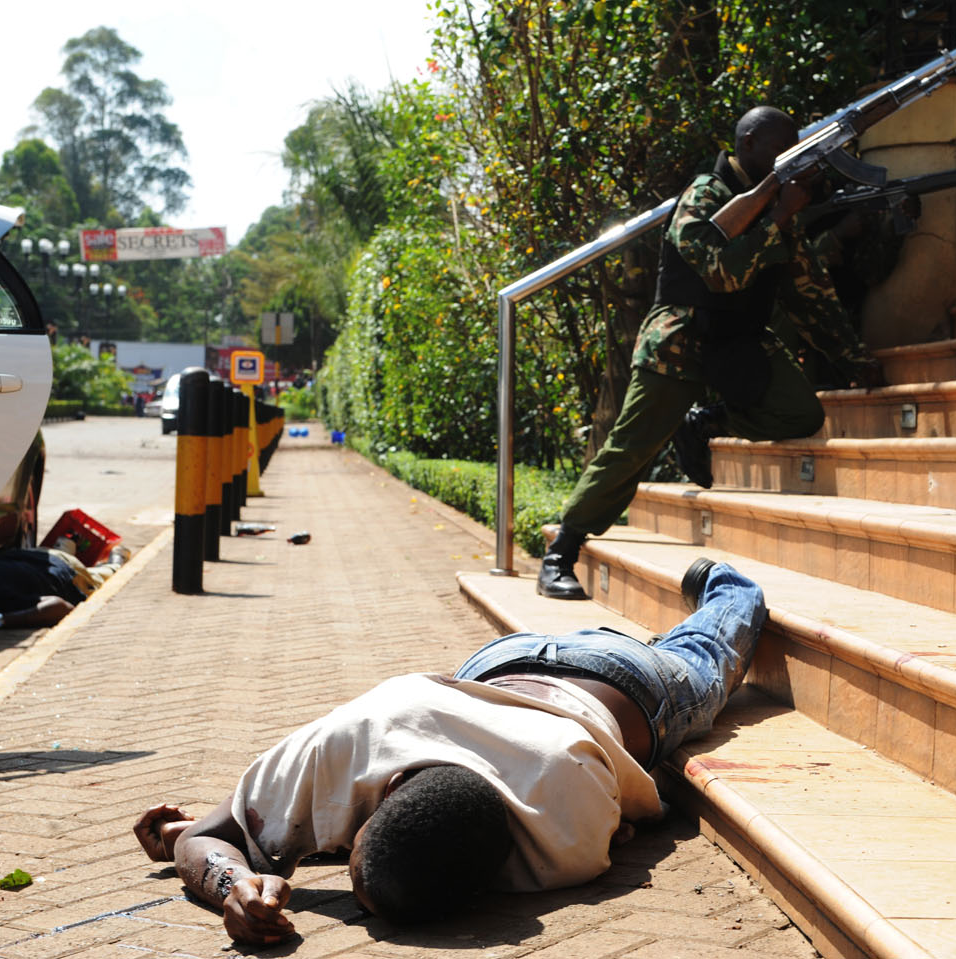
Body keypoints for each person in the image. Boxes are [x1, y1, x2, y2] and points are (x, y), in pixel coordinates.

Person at [133, 558, 765, 941]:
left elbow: (203, 838)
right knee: (702, 654)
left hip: (573, 678)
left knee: (710, 660)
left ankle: (728, 587)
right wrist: (233, 878)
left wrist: (228, 875)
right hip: (566, 673)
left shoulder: (565, 839)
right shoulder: (352, 738)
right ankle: (724, 586)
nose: (337, 840)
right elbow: (206, 841)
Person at [538, 106, 899, 601]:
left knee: (800, 411)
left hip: (740, 339)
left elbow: (808, 292)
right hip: (681, 338)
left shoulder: (780, 205)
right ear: (747, 145)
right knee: (632, 446)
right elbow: (718, 271)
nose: (785, 157)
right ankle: (562, 551)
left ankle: (703, 423)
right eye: (777, 146)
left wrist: (854, 359)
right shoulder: (705, 194)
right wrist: (777, 216)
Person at [0, 544, 128, 630]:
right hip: (39, 556)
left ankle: (117, 559)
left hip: (66, 572)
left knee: (105, 578)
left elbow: (60, 607)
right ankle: (67, 543)